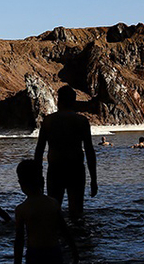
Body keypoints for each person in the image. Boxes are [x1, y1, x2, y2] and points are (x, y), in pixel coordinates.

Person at [34, 85, 98, 219]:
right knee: (77, 213)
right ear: (73, 101)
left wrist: (38, 176)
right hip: (76, 169)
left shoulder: (49, 121)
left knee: (53, 211)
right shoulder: (81, 121)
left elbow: (39, 151)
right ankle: (77, 232)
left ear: (59, 101)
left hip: (55, 168)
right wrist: (93, 179)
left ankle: (55, 232)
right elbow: (89, 151)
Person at [11, 159, 78, 264]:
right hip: (54, 252)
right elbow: (64, 230)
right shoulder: (53, 203)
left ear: (21, 183)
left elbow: (19, 241)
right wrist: (75, 252)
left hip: (35, 254)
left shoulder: (21, 209)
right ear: (42, 181)